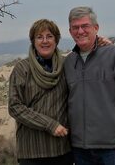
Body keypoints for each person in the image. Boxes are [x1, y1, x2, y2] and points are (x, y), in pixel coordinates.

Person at [64, 7, 115, 165]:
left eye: (85, 26)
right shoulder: (69, 63)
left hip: (112, 150)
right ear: (70, 31)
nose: (80, 31)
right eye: (75, 27)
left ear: (96, 28)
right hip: (80, 150)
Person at [8, 19, 73, 164]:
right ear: (33, 41)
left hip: (62, 150)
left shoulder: (67, 65)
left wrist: (100, 43)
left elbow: (87, 55)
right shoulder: (22, 68)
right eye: (39, 37)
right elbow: (14, 107)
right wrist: (49, 124)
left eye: (49, 36)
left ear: (56, 40)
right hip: (32, 151)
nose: (45, 41)